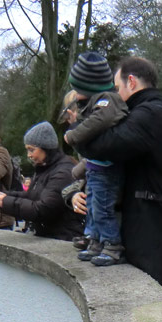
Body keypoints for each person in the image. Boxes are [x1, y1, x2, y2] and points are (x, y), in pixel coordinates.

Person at [69, 56, 162, 298]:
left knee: (154, 315)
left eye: (116, 87)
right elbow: (104, 165)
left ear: (131, 82)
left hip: (153, 240)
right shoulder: (149, 112)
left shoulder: (149, 115)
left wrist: (75, 130)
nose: (114, 94)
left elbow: (102, 148)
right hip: (151, 234)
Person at [63, 52, 129, 266]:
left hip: (106, 169)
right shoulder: (94, 102)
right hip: (95, 168)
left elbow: (99, 121)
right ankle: (96, 241)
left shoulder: (107, 100)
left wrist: (73, 135)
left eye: (78, 88)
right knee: (92, 206)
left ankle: (112, 245)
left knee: (101, 207)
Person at [0, 121, 83, 241]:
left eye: (32, 150)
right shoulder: (44, 168)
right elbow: (31, 196)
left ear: (46, 148)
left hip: (62, 237)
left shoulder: (63, 172)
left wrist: (6, 202)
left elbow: (43, 210)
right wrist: (5, 195)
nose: (29, 155)